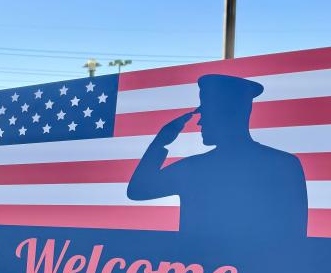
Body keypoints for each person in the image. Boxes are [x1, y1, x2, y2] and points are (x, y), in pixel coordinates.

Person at [127, 74, 308, 240]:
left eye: (206, 113)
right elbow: (138, 191)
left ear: (229, 115)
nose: (199, 121)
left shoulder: (195, 168)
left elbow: (138, 189)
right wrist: (160, 143)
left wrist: (161, 142)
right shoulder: (283, 164)